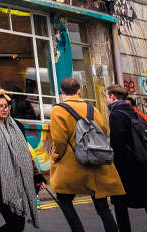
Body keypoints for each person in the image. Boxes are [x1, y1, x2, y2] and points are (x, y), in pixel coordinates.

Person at [48, 78, 121, 232]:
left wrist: (55, 156)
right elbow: (103, 131)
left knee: (64, 200)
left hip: (71, 165)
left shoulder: (58, 110)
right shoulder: (92, 109)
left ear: (62, 92)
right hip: (95, 163)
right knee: (102, 207)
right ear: (79, 90)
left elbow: (60, 140)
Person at [0, 84, 45, 232]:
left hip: (20, 182)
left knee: (18, 224)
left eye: (6, 106)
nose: (4, 109)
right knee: (15, 224)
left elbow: (26, 154)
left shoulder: (16, 126)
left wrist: (37, 177)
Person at [107, 85, 147, 232]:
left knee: (121, 207)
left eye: (107, 97)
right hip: (145, 166)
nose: (107, 100)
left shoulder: (116, 115)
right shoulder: (137, 115)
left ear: (113, 97)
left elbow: (117, 145)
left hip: (127, 169)